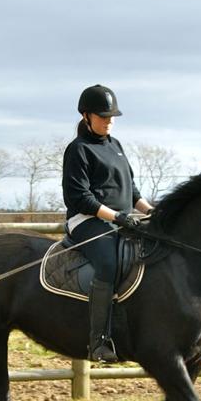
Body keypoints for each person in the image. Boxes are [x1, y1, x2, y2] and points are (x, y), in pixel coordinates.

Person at [61, 84, 154, 363]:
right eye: (103, 116)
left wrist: (151, 211)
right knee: (109, 263)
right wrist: (116, 216)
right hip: (87, 221)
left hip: (119, 220)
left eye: (112, 116)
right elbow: (79, 197)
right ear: (86, 116)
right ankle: (98, 341)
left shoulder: (116, 146)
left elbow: (131, 191)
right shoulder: (77, 150)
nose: (109, 121)